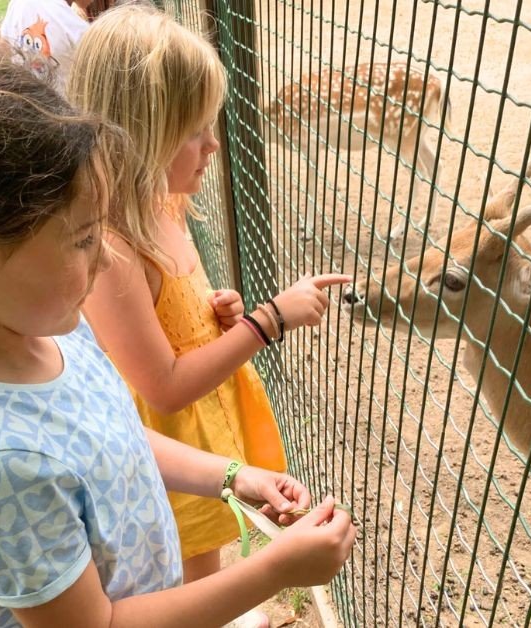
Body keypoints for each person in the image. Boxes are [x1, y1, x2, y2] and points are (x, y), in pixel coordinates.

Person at [0, 46, 356, 627]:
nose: (103, 260)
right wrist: (273, 572)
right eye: (82, 240)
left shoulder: (55, 336)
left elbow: (115, 436)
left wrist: (230, 476)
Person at [68, 6, 351, 625]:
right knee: (186, 560)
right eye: (195, 130)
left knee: (207, 544)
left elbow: (168, 312)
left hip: (201, 431)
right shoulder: (114, 245)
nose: (213, 145)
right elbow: (165, 388)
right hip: (166, 441)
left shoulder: (164, 205)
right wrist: (268, 321)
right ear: (142, 134)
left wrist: (214, 311)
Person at [0, 0, 92, 91]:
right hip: (59, 98)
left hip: (23, 94)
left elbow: (4, 48)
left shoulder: (18, 4)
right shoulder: (74, 27)